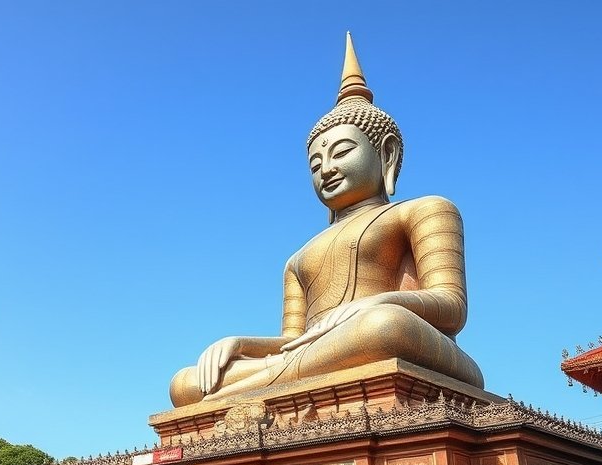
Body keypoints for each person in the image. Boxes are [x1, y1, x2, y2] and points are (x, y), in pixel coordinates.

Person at [169, 34, 484, 408]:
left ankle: (246, 392)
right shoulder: (298, 258)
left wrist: (375, 303)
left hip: (401, 341)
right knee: (186, 383)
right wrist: (240, 344)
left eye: (342, 152)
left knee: (383, 326)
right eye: (315, 164)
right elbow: (294, 340)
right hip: (320, 355)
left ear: (386, 153)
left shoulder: (424, 210)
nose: (327, 169)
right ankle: (254, 385)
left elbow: (451, 307)